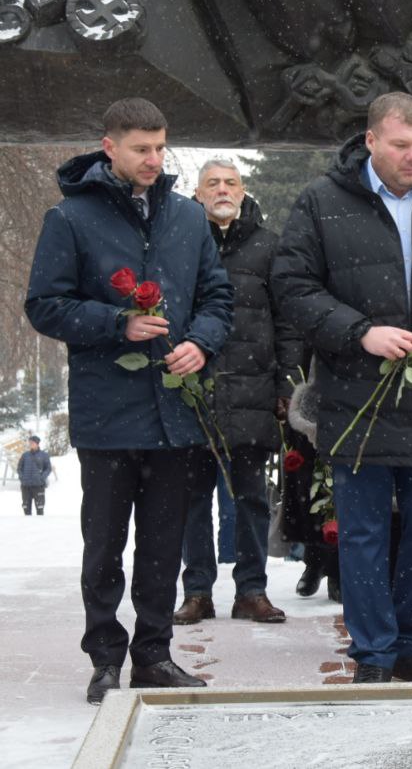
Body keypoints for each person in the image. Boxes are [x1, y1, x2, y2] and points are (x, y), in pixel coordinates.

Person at [271, 92, 412, 684]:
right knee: (365, 536)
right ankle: (372, 653)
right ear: (370, 140)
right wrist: (361, 333)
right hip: (358, 399)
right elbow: (292, 286)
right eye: (401, 145)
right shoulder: (323, 202)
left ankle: (408, 646)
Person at [25, 98, 235, 704]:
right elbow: (45, 304)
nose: (153, 159)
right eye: (141, 148)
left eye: (160, 147)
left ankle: (154, 655)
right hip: (108, 414)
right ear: (109, 146)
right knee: (105, 543)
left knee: (164, 545)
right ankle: (105, 657)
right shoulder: (70, 219)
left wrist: (201, 343)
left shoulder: (189, 220)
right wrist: (118, 324)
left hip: (175, 412)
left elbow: (218, 298)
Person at [174, 159, 302, 626]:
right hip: (194, 392)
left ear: (243, 190)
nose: (222, 190)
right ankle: (197, 591)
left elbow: (287, 322)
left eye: (230, 182)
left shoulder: (270, 247)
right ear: (198, 191)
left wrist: (288, 384)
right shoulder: (181, 242)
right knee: (192, 500)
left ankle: (252, 590)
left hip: (252, 393)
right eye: (213, 183)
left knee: (251, 498)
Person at [17, 435, 52, 516]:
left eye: (32, 442)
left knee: (40, 509)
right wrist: (22, 478)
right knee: (26, 509)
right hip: (26, 486)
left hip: (38, 486)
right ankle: (27, 527)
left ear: (37, 443)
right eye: (30, 443)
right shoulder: (25, 455)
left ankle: (39, 527)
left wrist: (41, 477)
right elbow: (19, 468)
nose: (30, 444)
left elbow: (48, 468)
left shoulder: (44, 455)